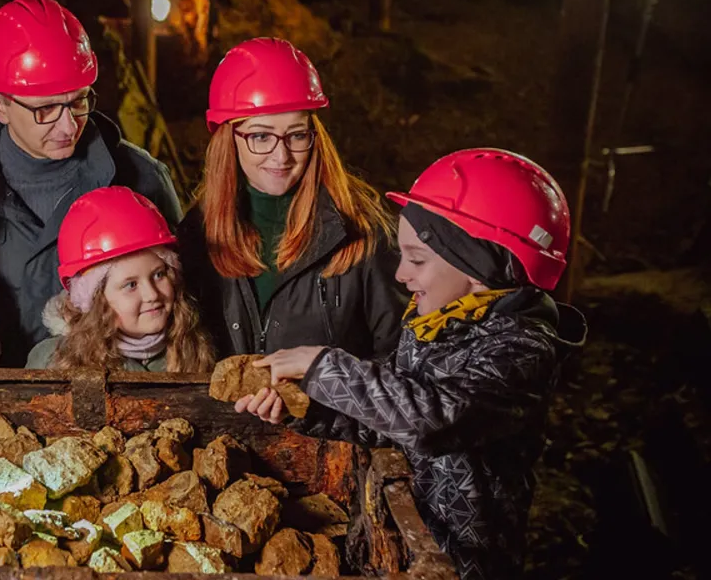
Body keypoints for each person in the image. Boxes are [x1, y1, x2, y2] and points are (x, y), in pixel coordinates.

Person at [237, 149, 588, 580]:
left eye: (417, 259)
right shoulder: (438, 322)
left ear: (477, 268)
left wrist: (324, 366)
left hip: (463, 563)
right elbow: (388, 417)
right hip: (403, 540)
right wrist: (308, 407)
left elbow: (432, 420)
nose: (401, 275)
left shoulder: (519, 350)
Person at [0, 0, 183, 364]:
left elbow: (183, 307)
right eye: (45, 109)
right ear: (0, 106)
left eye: (78, 102)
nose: (68, 125)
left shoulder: (140, 180)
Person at [178, 37, 406, 361]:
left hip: (332, 414)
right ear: (229, 139)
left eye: (297, 135)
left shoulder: (363, 232)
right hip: (223, 414)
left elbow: (399, 367)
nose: (281, 155)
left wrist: (318, 390)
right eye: (260, 136)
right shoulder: (196, 235)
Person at [25, 187, 216, 372]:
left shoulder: (194, 348)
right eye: (131, 285)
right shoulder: (53, 362)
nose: (151, 294)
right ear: (96, 299)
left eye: (159, 274)